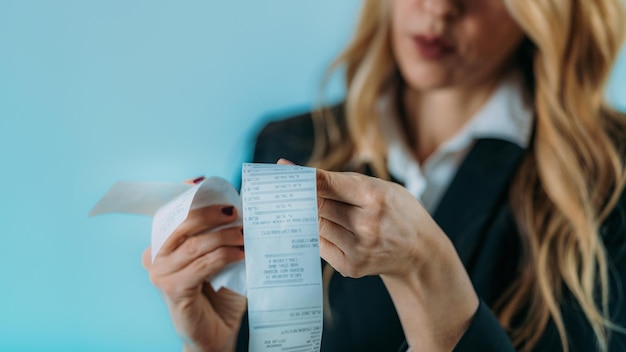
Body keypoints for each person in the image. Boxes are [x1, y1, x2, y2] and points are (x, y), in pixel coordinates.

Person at [141, 0, 626, 351]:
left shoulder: (610, 173)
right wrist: (213, 347)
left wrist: (426, 268)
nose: (439, 8)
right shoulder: (289, 144)